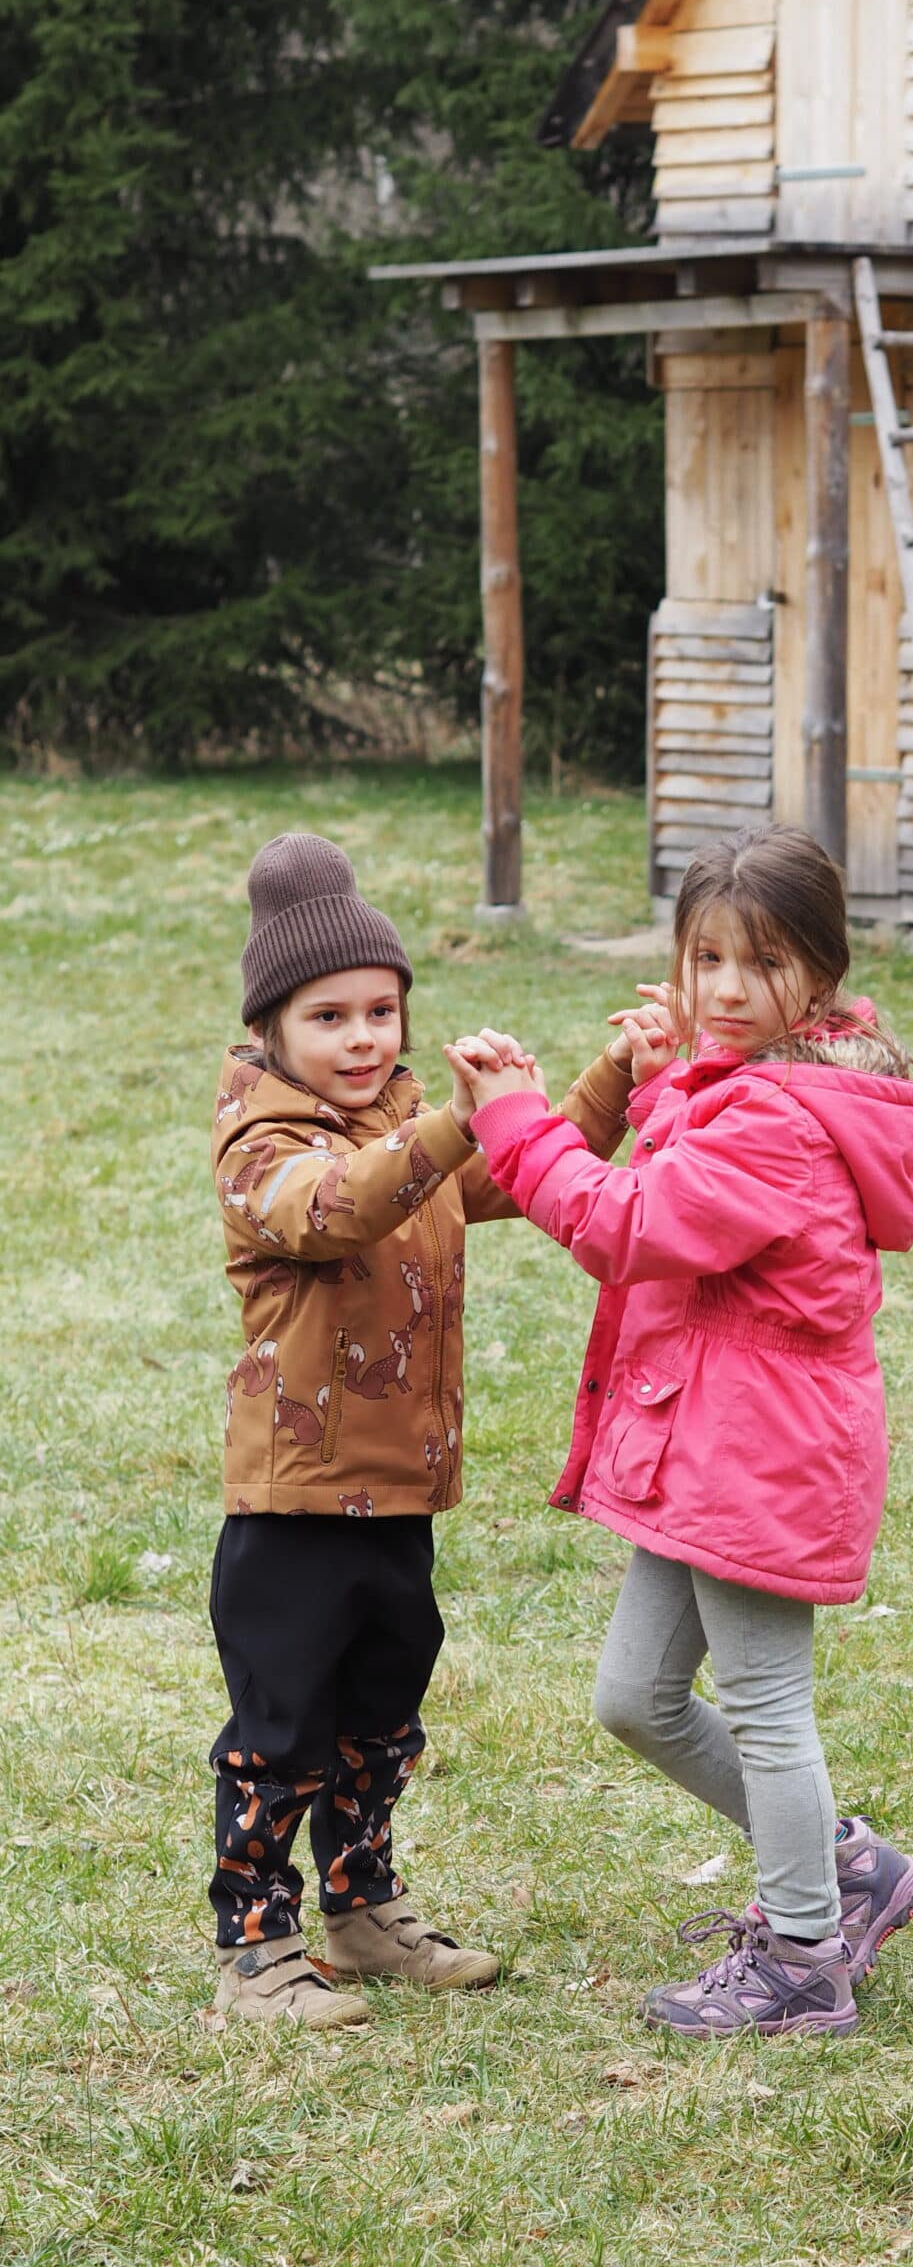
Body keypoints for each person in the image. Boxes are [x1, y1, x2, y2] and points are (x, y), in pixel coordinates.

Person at [449, 825, 913, 2038]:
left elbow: (630, 1223)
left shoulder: (781, 1115)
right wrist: (664, 1077)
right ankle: (845, 1867)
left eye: (762, 963)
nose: (726, 987)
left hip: (757, 1450)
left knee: (765, 1702)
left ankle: (803, 1960)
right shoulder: (764, 1082)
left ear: (820, 972)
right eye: (706, 957)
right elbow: (698, 1177)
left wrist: (517, 1120)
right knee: (636, 1696)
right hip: (710, 1439)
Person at [209, 832, 638, 2026]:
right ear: (271, 1031)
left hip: (399, 1491)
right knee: (285, 1725)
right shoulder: (262, 1146)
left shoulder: (403, 1121)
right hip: (296, 1501)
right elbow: (334, 1208)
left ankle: (362, 1912)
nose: (362, 1039)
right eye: (328, 1017)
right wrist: (449, 1124)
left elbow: (513, 1171)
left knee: (382, 1715)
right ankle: (255, 1946)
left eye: (381, 1011)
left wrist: (613, 1076)